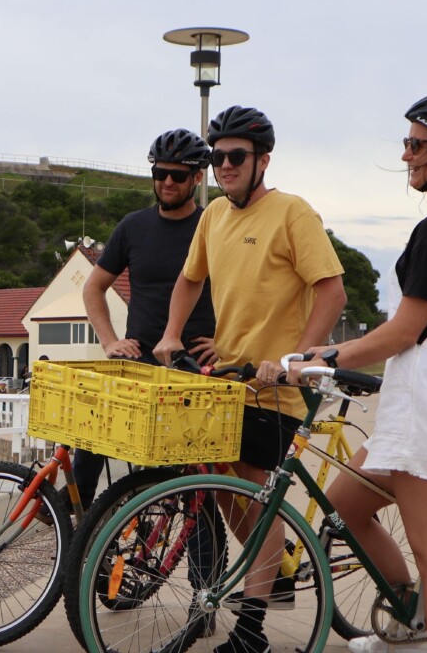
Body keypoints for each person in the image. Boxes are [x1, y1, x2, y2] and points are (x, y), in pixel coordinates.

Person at [288, 91, 427, 653]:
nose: (407, 155)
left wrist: (324, 357)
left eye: (416, 144)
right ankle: (409, 622)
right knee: (344, 512)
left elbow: (403, 332)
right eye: (405, 143)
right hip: (418, 411)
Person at [154, 105, 347, 653]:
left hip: (277, 389)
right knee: (221, 486)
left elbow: (332, 291)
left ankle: (253, 629)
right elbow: (190, 280)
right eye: (216, 158)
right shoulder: (214, 217)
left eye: (235, 157)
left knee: (255, 501)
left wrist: (299, 356)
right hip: (231, 381)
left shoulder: (292, 213)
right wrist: (171, 333)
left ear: (263, 159)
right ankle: (274, 572)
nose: (224, 167)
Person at [77, 127, 218, 506]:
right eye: (160, 173)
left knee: (193, 481)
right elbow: (93, 288)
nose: (168, 182)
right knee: (91, 423)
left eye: (178, 175)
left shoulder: (212, 228)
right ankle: (76, 515)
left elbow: (242, 291)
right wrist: (109, 342)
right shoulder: (133, 227)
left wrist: (227, 342)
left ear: (197, 178)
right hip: (139, 358)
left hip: (194, 364)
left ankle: (204, 565)